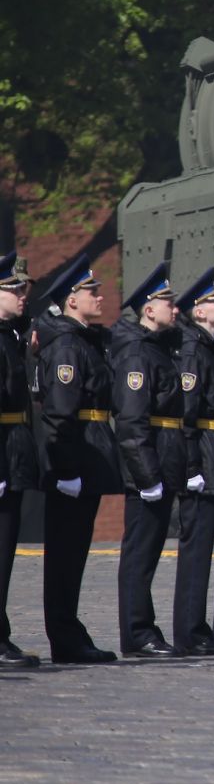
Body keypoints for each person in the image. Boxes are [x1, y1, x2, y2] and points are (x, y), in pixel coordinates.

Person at [36, 252, 123, 664]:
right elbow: (59, 413)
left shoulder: (82, 340)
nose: (99, 296)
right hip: (73, 461)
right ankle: (66, 638)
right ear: (71, 300)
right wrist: (66, 470)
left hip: (85, 458)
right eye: (91, 291)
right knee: (66, 556)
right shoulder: (68, 346)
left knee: (74, 555)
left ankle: (69, 633)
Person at [111, 262, 185, 658]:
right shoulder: (138, 353)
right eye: (167, 302)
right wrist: (146, 475)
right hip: (149, 466)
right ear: (148, 309)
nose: (175, 309)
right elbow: (132, 419)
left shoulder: (157, 349)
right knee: (139, 555)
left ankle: (143, 630)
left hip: (163, 460)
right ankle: (138, 634)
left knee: (149, 553)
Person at [172, 268, 214, 656]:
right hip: (202, 457)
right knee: (195, 550)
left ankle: (197, 627)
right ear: (198, 312)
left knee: (204, 548)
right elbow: (187, 416)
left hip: (213, 453)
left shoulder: (210, 347)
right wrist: (192, 468)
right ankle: (189, 632)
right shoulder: (194, 351)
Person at [0, 251, 40, 669]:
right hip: (2, 454)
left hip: (13, 452)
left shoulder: (10, 335)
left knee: (6, 555)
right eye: (14, 288)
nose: (23, 294)